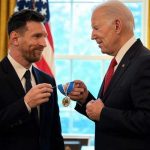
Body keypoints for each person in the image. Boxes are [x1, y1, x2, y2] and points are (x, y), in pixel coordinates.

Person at [67, 0, 150, 150]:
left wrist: (103, 113)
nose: (92, 36)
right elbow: (109, 110)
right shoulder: (121, 62)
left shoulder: (145, 62)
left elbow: (147, 120)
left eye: (96, 28)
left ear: (117, 26)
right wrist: (85, 99)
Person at [0, 9, 64, 150]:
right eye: (37, 36)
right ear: (15, 38)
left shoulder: (47, 80)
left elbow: (54, 134)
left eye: (45, 36)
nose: (44, 43)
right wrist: (25, 104)